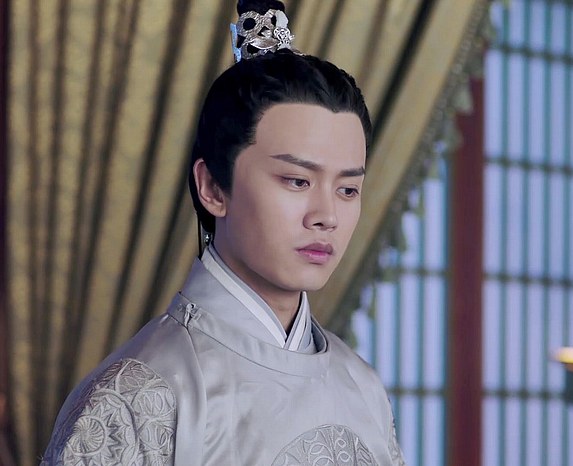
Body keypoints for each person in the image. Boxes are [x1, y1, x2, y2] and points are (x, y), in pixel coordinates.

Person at [41, 1, 405, 464]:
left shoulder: (363, 388)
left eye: (348, 189)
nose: (326, 215)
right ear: (213, 187)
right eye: (297, 181)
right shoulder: (137, 398)